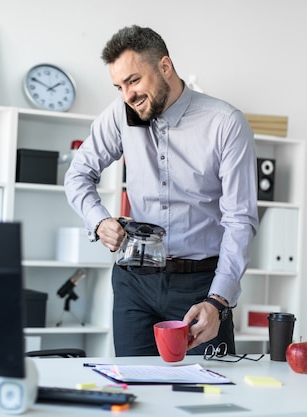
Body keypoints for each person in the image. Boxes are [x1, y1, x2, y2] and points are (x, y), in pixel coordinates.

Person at [64, 25, 259, 357]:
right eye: (119, 86)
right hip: (134, 283)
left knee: (209, 396)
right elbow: (78, 174)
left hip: (200, 289)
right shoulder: (120, 114)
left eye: (134, 81)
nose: (127, 95)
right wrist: (98, 221)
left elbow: (240, 220)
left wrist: (218, 301)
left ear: (165, 67)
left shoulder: (224, 123)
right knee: (134, 394)